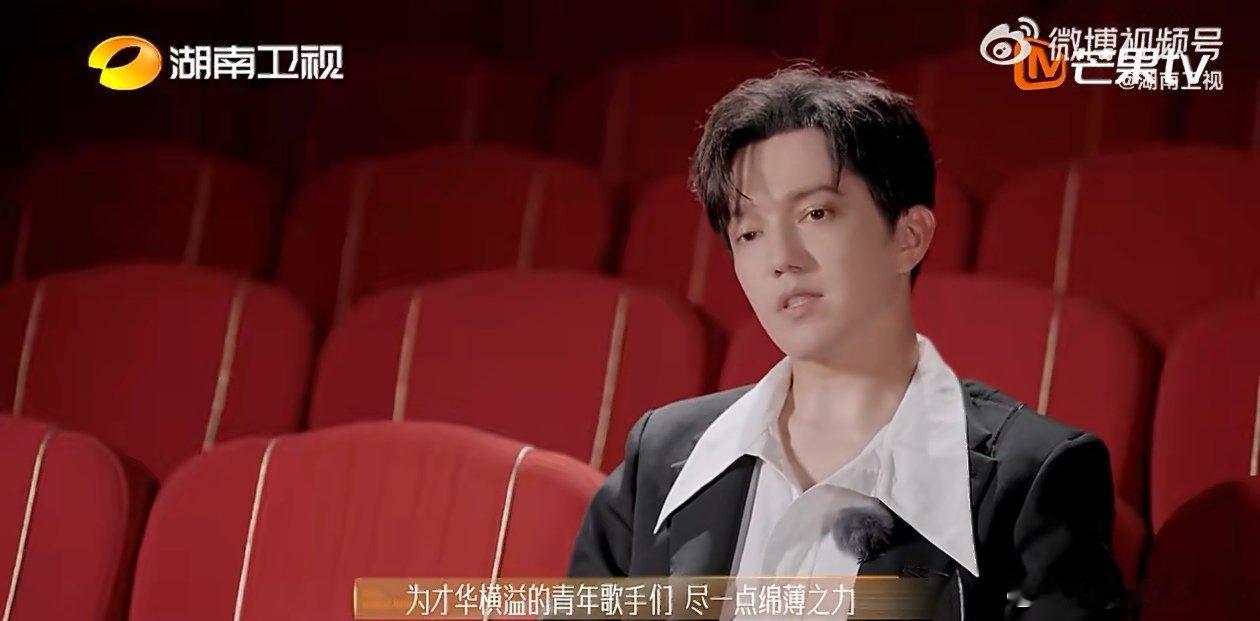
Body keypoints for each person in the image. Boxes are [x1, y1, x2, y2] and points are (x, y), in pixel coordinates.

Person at [566, 66, 1129, 619]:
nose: (781, 258)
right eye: (750, 231)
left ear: (908, 237)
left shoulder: (1033, 475)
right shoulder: (663, 454)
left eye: (815, 213)